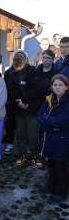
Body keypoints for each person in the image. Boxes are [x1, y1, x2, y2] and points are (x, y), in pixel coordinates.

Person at [4, 50, 40, 166]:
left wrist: (26, 102)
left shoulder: (33, 71)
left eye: (21, 58)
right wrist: (19, 102)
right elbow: (10, 90)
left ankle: (35, 156)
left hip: (32, 108)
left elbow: (35, 89)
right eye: (16, 59)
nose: (19, 61)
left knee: (33, 134)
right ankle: (21, 156)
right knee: (20, 134)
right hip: (18, 108)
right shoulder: (11, 72)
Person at [37, 74, 69, 204]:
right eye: (55, 85)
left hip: (62, 140)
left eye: (60, 85)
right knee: (51, 164)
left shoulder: (67, 102)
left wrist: (48, 121)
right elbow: (40, 115)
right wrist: (48, 122)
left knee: (60, 167)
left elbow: (62, 120)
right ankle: (51, 185)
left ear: (66, 87)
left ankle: (60, 192)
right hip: (49, 138)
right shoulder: (49, 99)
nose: (57, 87)